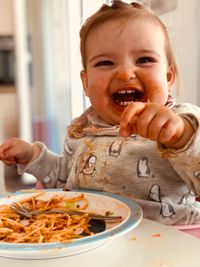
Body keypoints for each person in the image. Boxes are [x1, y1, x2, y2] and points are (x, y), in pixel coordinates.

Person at [0, 0, 200, 226]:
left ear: (168, 77)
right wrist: (34, 156)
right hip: (92, 240)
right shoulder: (83, 128)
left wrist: (181, 137)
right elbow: (66, 177)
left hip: (167, 245)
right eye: (105, 62)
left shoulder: (181, 122)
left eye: (144, 60)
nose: (125, 74)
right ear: (85, 83)